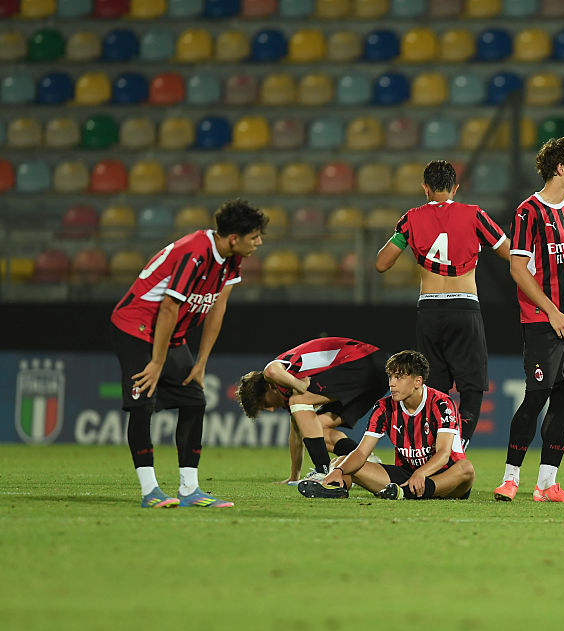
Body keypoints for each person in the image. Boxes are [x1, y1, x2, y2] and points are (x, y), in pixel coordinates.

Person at [110, 199, 266, 508]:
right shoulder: (195, 251)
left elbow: (217, 307)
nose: (259, 243)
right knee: (143, 403)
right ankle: (150, 491)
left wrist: (201, 362)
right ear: (234, 238)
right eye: (255, 237)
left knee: (194, 400)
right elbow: (169, 306)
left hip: (171, 335)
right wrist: (157, 362)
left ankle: (189, 489)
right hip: (136, 328)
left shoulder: (231, 259)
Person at [375, 160, 510, 449]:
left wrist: (402, 235)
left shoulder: (411, 219)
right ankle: (458, 445)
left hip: (430, 310)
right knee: (472, 384)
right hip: (465, 306)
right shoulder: (475, 215)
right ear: (455, 188)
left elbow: (382, 263)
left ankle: (434, 446)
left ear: (425, 188)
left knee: (434, 386)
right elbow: (508, 252)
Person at [493, 137, 564, 504]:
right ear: (560, 168)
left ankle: (548, 484)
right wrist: (552, 311)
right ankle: (510, 479)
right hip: (542, 320)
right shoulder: (529, 211)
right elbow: (518, 269)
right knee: (536, 396)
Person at [297, 350, 476, 501]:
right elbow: (361, 453)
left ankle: (407, 493)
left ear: (418, 381)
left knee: (466, 469)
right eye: (390, 377)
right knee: (339, 462)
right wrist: (338, 470)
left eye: (399, 377)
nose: (391, 383)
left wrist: (421, 474)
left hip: (445, 477)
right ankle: (335, 488)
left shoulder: (442, 403)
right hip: (406, 476)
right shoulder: (384, 407)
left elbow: (444, 454)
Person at [236, 337, 389, 483]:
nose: (270, 410)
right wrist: (294, 476)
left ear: (269, 387)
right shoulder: (288, 392)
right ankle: (370, 463)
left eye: (265, 403)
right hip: (376, 374)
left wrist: (299, 385)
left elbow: (270, 371)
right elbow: (297, 435)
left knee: (298, 400)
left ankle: (322, 472)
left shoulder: (276, 372)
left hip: (361, 360)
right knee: (317, 427)